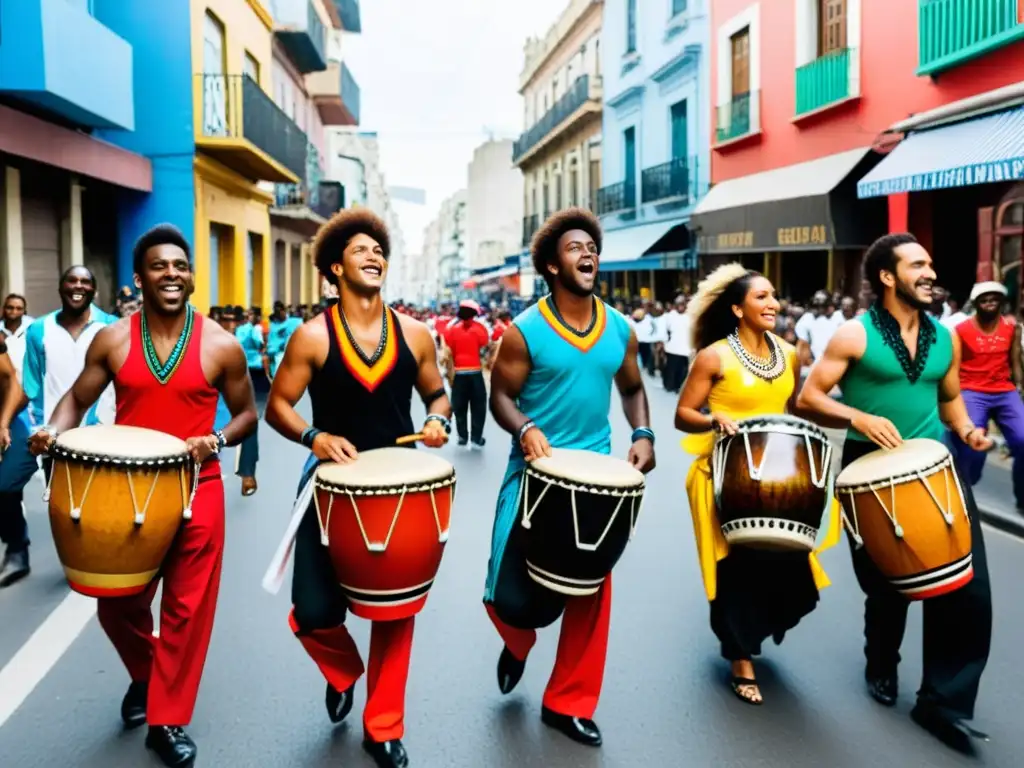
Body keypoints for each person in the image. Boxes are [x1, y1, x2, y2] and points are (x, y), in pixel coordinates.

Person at [28, 224, 258, 767]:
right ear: (139, 277)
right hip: (124, 492)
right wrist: (54, 432)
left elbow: (249, 413)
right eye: (159, 266)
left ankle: (167, 719)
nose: (172, 274)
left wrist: (218, 438)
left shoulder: (221, 345)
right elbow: (74, 400)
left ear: (192, 278)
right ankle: (148, 675)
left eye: (180, 266)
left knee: (186, 610)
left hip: (196, 489)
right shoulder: (113, 340)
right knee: (116, 605)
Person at [265, 209, 450, 768]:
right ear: (334, 269)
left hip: (400, 489)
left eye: (379, 250)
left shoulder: (415, 334)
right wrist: (315, 436)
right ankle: (343, 671)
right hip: (329, 486)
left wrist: (439, 419)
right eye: (360, 250)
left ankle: (384, 727)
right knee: (314, 610)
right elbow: (277, 406)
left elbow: (437, 395)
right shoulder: (312, 336)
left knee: (395, 612)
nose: (374, 256)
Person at [798, 233, 993, 751]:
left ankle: (942, 701)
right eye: (918, 265)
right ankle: (881, 663)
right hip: (869, 471)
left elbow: (950, 400)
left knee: (967, 588)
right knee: (887, 588)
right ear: (887, 277)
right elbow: (808, 396)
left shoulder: (946, 338)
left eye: (931, 263)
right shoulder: (853, 336)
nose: (930, 272)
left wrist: (969, 431)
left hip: (935, 468)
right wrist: (859, 415)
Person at [485, 207, 656, 747]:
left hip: (599, 480)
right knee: (506, 598)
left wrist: (643, 434)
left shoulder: (619, 329)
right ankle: (517, 643)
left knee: (590, 595)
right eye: (575, 248)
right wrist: (525, 428)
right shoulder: (525, 331)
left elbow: (631, 388)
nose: (589, 254)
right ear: (552, 267)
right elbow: (501, 397)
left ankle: (568, 703)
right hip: (533, 475)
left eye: (592, 247)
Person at [674, 264, 841, 705]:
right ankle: (739, 657)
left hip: (781, 479)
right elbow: (682, 414)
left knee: (786, 566)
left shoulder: (789, 354)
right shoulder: (713, 356)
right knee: (734, 570)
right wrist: (713, 419)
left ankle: (757, 628)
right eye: (761, 297)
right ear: (737, 308)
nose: (773, 304)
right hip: (724, 475)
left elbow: (791, 411)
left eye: (774, 296)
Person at [8, 267, 117, 584]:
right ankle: (74, 558)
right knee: (64, 504)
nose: (78, 286)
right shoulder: (39, 330)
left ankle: (102, 556)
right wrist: (8, 423)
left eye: (85, 282)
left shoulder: (111, 327)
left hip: (102, 430)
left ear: (94, 290)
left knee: (101, 500)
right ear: (61, 288)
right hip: (53, 435)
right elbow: (29, 385)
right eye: (73, 281)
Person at [952, 282, 1024, 510]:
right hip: (971, 389)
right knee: (974, 442)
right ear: (976, 305)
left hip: (1004, 390)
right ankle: (965, 486)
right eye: (984, 300)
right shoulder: (961, 330)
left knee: (1023, 440)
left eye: (994, 299)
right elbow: (953, 367)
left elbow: (1015, 362)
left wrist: (1019, 386)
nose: (989, 303)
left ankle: (1022, 497)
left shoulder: (1013, 328)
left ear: (1001, 303)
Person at [0, 335, 31, 587]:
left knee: (5, 484)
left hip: (7, 418)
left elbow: (12, 382)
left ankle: (17, 549)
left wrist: (3, 423)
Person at [442, 299, 489, 448]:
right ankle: (476, 437)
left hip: (459, 373)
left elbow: (449, 346)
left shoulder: (453, 329)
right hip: (475, 372)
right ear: (474, 314)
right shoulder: (480, 328)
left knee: (459, 406)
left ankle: (462, 436)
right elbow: (484, 343)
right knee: (478, 407)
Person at [662, 294, 691, 392]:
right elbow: (664, 330)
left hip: (685, 349)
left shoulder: (689, 316)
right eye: (679, 304)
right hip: (672, 348)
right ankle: (669, 386)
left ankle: (679, 387)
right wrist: (664, 342)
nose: (680, 306)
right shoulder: (669, 316)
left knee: (682, 370)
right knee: (671, 369)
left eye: (682, 304)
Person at [0, 293, 33, 376]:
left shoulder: (32, 328)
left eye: (19, 308)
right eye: (10, 308)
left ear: (24, 311)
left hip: (28, 381)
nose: (14, 311)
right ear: (3, 309)